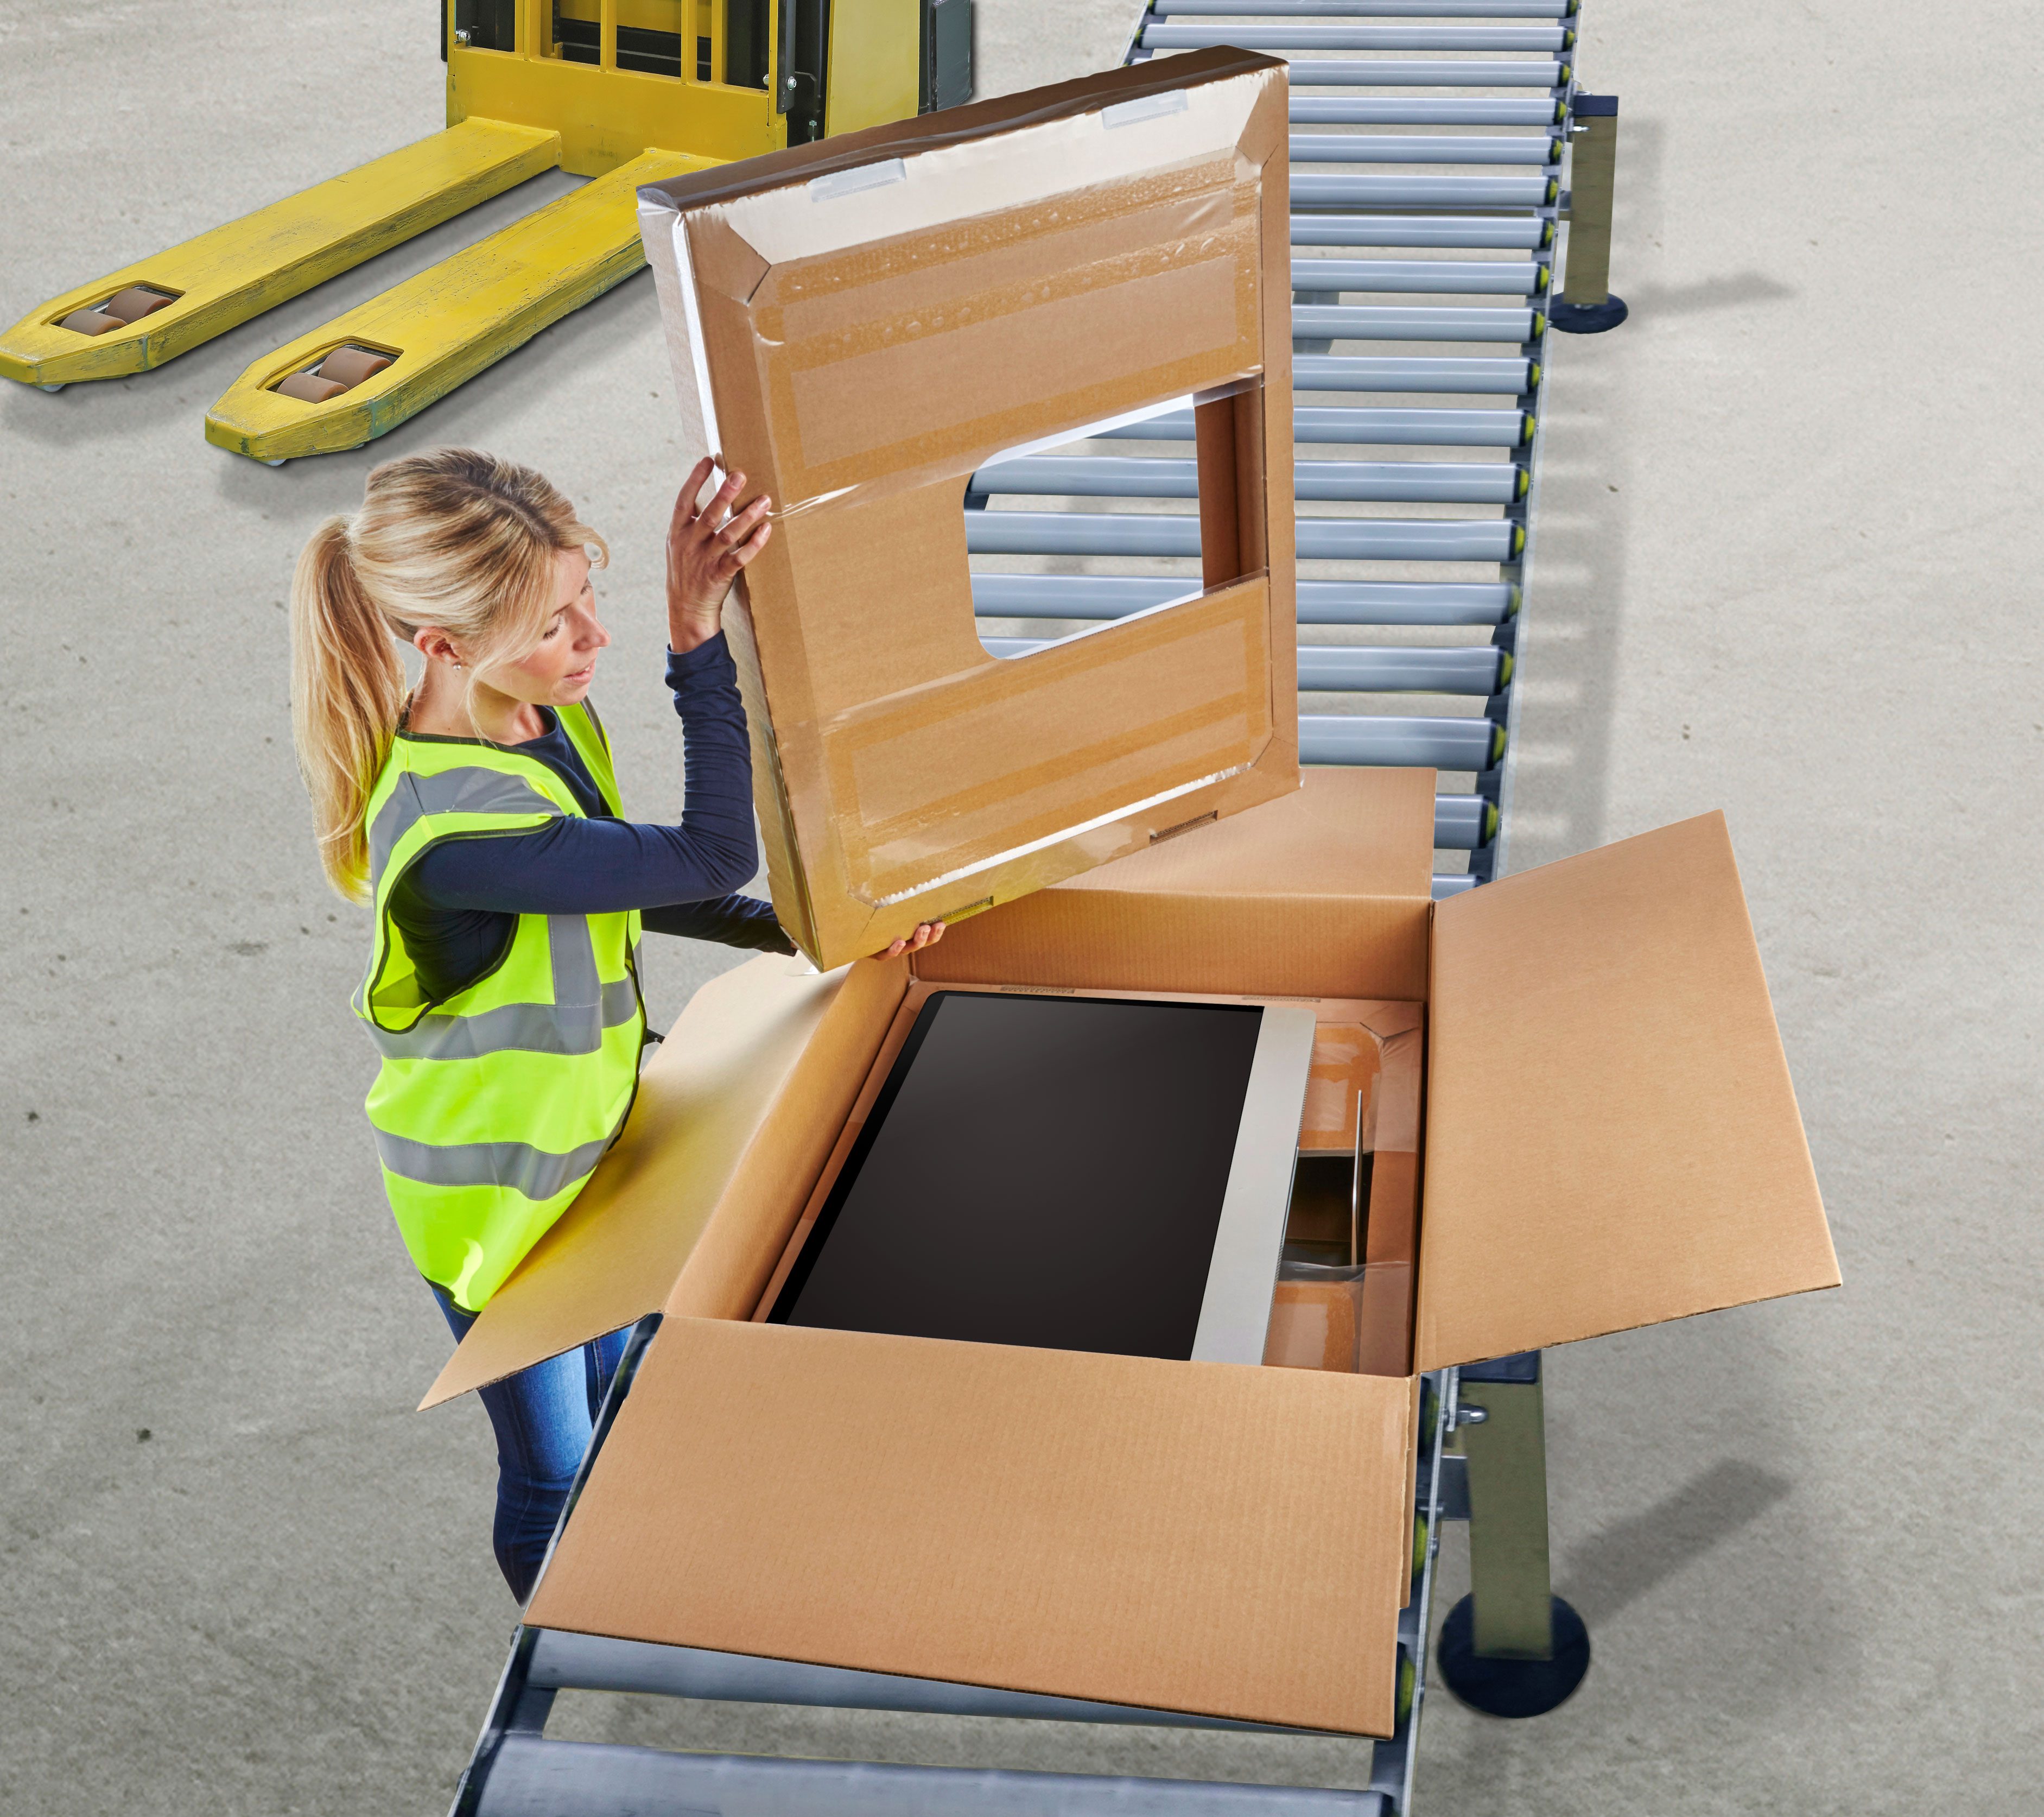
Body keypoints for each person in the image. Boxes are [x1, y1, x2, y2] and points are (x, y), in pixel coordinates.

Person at [287, 447, 942, 1599]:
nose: (590, 640)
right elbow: (708, 850)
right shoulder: (456, 830)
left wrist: (815, 935)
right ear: (442, 645)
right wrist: (693, 637)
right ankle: (565, 1627)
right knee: (554, 1464)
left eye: (587, 598)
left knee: (615, 1392)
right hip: (498, 1207)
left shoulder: (533, 719)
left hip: (587, 1152)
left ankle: (629, 1566)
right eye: (554, 624)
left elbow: (645, 883)